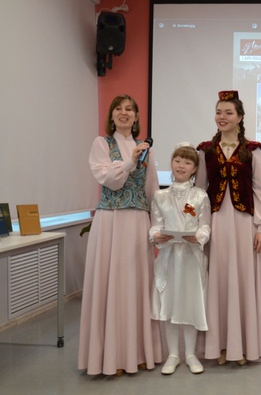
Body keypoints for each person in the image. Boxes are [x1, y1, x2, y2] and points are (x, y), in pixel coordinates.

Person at [78, 95, 162, 375]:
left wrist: (156, 226)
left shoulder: (145, 148)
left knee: (136, 283)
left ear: (136, 116)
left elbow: (152, 189)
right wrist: (130, 161)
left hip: (137, 221)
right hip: (110, 222)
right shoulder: (102, 144)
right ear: (112, 115)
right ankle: (110, 357)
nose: (124, 113)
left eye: (129, 109)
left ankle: (139, 352)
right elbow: (109, 180)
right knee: (111, 282)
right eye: (118, 109)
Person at [196, 90, 261, 365]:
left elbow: (260, 189)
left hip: (244, 224)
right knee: (218, 280)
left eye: (228, 112)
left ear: (240, 117)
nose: (222, 117)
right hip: (216, 223)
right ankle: (219, 346)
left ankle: (243, 347)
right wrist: (195, 225)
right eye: (219, 112)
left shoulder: (252, 150)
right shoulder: (205, 150)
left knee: (242, 279)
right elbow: (199, 191)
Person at [150, 143, 211, 375]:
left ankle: (191, 354)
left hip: (191, 257)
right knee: (170, 303)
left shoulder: (200, 196)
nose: (181, 165)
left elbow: (205, 224)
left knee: (191, 302)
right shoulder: (160, 196)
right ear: (171, 164)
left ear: (194, 168)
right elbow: (155, 225)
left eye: (187, 162)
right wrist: (156, 235)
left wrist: (200, 237)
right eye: (177, 161)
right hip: (168, 257)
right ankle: (173, 354)